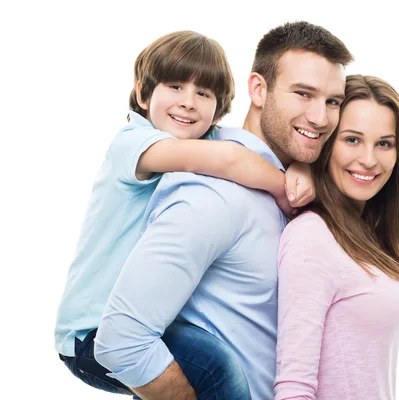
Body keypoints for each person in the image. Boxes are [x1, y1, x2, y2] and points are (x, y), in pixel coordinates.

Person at [93, 21, 353, 400]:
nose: (320, 117)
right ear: (258, 90)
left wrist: (306, 168)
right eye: (303, 94)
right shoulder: (213, 196)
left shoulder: (296, 183)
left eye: (333, 102)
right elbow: (121, 341)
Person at [274, 74, 399, 400]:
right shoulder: (312, 237)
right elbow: (294, 388)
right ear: (326, 143)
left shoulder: (369, 236)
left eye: (384, 143)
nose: (369, 160)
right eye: (352, 139)